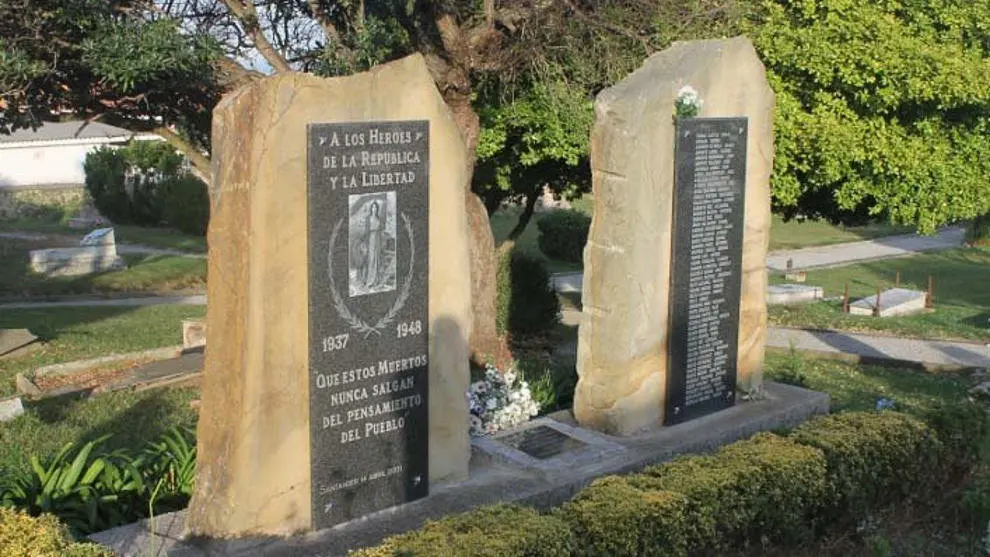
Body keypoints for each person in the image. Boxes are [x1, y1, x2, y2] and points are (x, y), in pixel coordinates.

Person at [361, 201, 384, 288]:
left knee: (376, 258)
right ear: (371, 208)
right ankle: (368, 281)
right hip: (370, 239)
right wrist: (365, 243)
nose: (374, 209)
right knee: (371, 259)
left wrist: (381, 241)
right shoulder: (368, 218)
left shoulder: (379, 219)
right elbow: (366, 231)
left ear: (377, 209)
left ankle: (375, 280)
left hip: (377, 239)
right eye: (373, 207)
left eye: (376, 208)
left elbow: (380, 231)